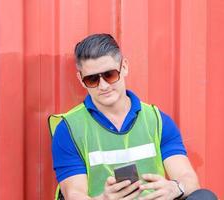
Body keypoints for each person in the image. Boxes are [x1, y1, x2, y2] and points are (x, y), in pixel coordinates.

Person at [48, 34, 217, 200]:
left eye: (110, 75)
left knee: (205, 197)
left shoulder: (157, 120)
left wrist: (175, 187)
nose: (104, 86)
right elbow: (74, 194)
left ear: (125, 67)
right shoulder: (68, 129)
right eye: (92, 79)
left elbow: (188, 179)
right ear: (80, 79)